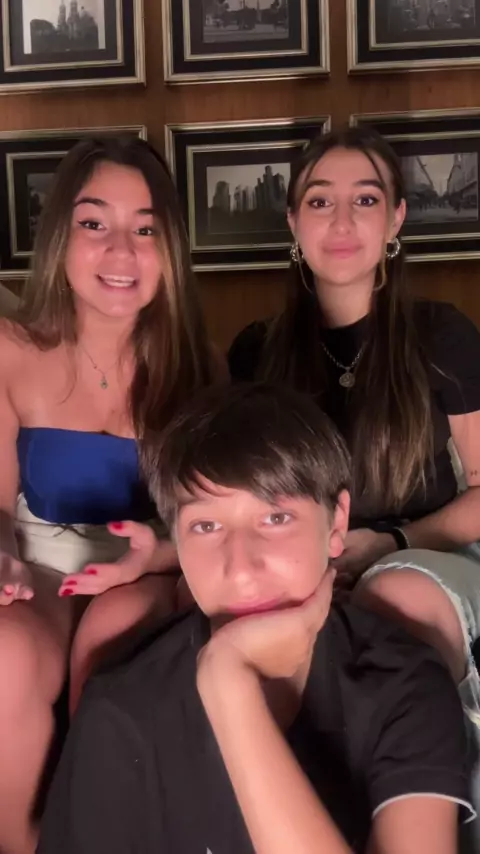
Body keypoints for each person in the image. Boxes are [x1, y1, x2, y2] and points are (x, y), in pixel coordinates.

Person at [37, 383, 473, 854]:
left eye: (276, 519)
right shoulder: (121, 709)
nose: (241, 568)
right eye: (206, 526)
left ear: (337, 523)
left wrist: (229, 684)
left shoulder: (404, 684)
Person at [0, 135, 217, 854]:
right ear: (60, 236)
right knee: (5, 656)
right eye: (94, 223)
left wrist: (154, 558)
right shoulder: (8, 348)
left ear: (169, 249)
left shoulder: (201, 368)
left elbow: (212, 521)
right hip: (38, 564)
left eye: (145, 229)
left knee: (111, 635)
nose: (121, 251)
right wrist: (2, 557)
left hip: (148, 570)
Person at [228, 125, 480, 732]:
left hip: (430, 556)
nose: (342, 221)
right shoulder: (255, 351)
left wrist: (392, 542)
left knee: (392, 598)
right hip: (301, 564)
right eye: (320, 201)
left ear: (396, 219)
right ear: (294, 222)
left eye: (365, 199)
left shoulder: (442, 335)